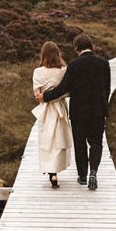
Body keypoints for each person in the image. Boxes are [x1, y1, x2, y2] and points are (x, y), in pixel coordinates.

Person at [35, 33, 110, 191]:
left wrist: (45, 97)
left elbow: (63, 88)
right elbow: (107, 89)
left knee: (80, 143)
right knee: (96, 143)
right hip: (98, 111)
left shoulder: (74, 65)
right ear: (92, 46)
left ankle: (82, 176)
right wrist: (103, 109)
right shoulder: (104, 64)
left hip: (79, 112)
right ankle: (93, 172)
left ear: (77, 48)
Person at [31, 41, 73, 188]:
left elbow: (37, 95)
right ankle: (56, 169)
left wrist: (44, 95)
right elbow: (68, 91)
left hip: (46, 109)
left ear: (43, 55)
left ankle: (51, 173)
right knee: (59, 139)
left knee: (47, 140)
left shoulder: (38, 72)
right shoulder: (64, 70)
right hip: (60, 108)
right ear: (57, 54)